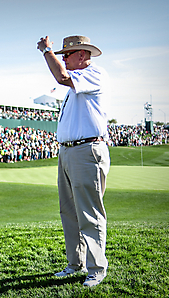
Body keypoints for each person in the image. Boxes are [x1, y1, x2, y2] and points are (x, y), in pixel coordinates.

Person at [37, 35, 111, 287]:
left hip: (87, 150)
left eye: (67, 54)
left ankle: (96, 268)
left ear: (83, 55)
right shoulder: (75, 85)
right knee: (69, 211)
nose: (64, 59)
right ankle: (75, 263)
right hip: (68, 151)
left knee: (89, 212)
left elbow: (61, 77)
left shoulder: (94, 73)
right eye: (62, 54)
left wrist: (47, 51)